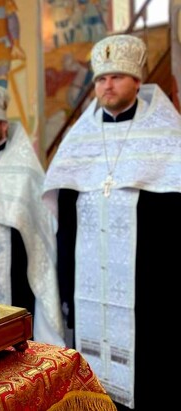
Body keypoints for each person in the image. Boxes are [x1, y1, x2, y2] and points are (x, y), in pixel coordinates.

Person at [43, 34, 181, 410]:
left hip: (147, 292)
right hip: (89, 290)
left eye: (117, 77)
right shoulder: (79, 139)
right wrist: (66, 286)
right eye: (101, 78)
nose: (107, 85)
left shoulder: (168, 137)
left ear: (137, 81)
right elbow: (64, 221)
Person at [0, 85, 64, 347]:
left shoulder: (25, 166)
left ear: (4, 125)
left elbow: (39, 221)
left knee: (15, 330)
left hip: (15, 263)